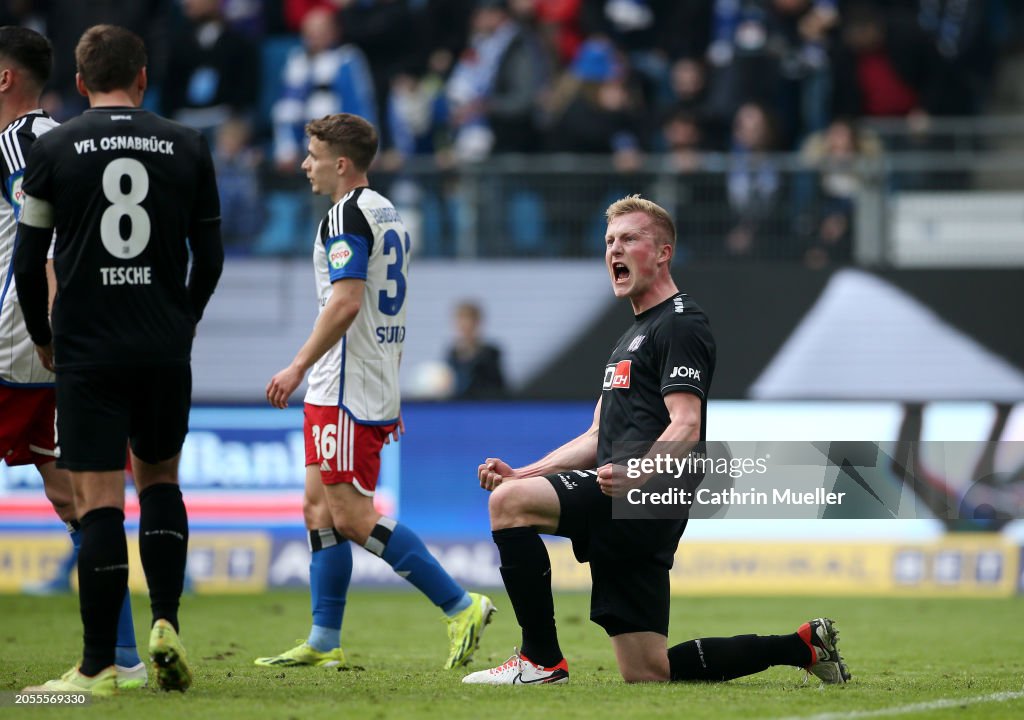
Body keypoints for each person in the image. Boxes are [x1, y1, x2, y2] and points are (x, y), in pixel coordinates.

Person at [463, 195, 850, 685]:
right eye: (609, 241)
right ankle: (802, 647)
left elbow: (686, 424)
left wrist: (637, 472)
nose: (614, 250)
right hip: (628, 494)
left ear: (663, 252)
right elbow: (598, 435)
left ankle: (540, 661)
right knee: (648, 671)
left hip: (642, 495)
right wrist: (526, 473)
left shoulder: (681, 323)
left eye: (629, 239)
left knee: (509, 505)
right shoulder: (633, 333)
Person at [14, 24, 224, 694]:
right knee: (161, 482)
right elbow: (211, 255)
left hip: (87, 347)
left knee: (98, 500)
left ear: (79, 82)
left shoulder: (57, 145)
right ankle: (165, 621)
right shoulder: (187, 144)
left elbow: (26, 261)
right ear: (142, 78)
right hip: (162, 344)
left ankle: (99, 664)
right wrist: (183, 317)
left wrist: (43, 337)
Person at [259, 112, 495, 671]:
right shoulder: (388, 212)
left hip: (343, 385)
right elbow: (390, 308)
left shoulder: (344, 217)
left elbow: (346, 303)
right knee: (317, 508)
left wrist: (295, 367)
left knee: (350, 516)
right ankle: (323, 639)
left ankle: (461, 605)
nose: (304, 165)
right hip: (357, 380)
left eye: (312, 156)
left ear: (341, 164)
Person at [0, 25, 147, 687]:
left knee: (85, 498)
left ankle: (113, 661)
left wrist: (52, 333)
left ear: (5, 79)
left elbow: (48, 248)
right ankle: (123, 659)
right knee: (75, 501)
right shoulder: (66, 140)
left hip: (22, 346)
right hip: (62, 347)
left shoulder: (19, 143)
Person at [446, 300, 505, 399]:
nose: (465, 327)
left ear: (477, 323)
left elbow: (499, 387)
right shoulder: (451, 354)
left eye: (469, 321)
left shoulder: (491, 353)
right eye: (461, 321)